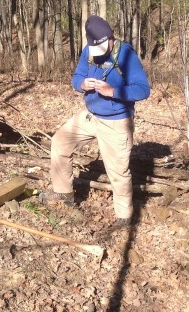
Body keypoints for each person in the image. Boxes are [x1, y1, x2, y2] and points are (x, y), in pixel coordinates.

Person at [41, 15, 150, 228]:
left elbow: (143, 89)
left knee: (118, 171)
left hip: (116, 121)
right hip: (90, 115)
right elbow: (76, 77)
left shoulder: (126, 54)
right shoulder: (89, 52)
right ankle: (64, 193)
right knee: (60, 142)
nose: (99, 53)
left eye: (103, 47)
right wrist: (83, 84)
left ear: (110, 37)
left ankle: (125, 217)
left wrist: (114, 91)